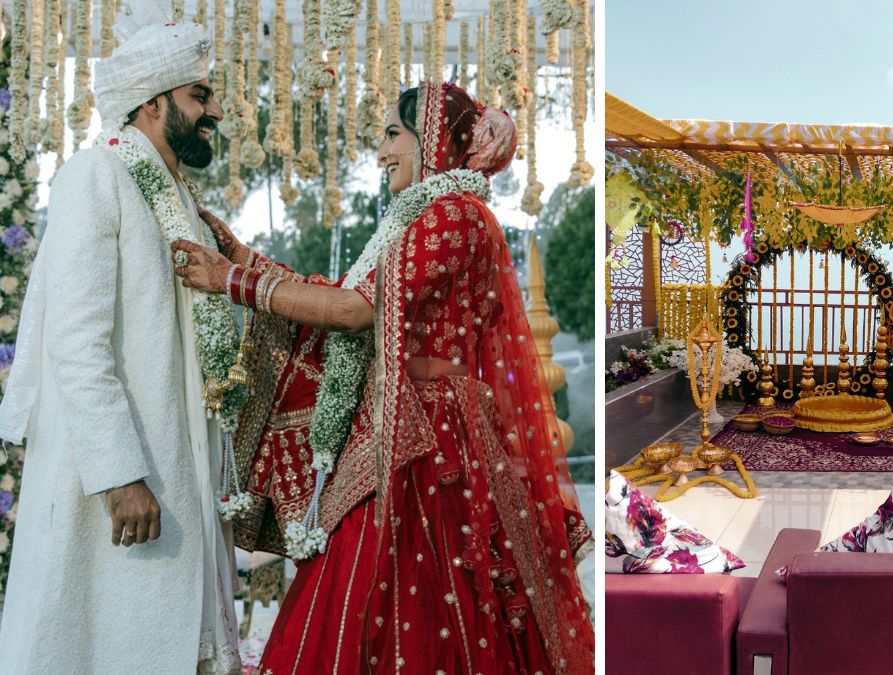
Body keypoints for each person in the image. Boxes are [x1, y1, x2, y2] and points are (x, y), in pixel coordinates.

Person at [173, 81, 595, 674]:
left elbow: (354, 311)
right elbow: (345, 296)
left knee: (408, 594)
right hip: (404, 421)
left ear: (434, 142)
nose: (381, 152)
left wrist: (232, 282)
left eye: (394, 134)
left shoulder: (454, 216)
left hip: (428, 437)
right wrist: (244, 259)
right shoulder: (422, 217)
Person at [0, 12, 242, 675]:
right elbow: (76, 341)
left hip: (179, 463)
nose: (216, 111)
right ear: (153, 102)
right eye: (200, 95)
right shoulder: (95, 176)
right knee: (93, 644)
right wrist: (119, 474)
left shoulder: (179, 198)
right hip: (115, 479)